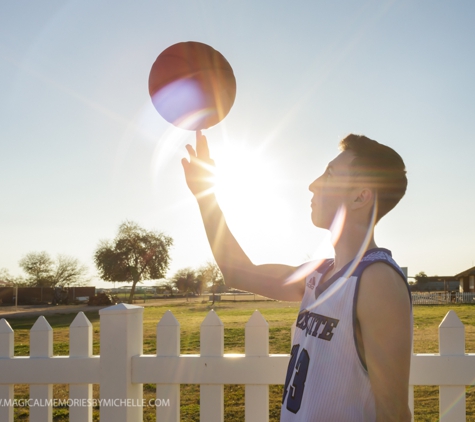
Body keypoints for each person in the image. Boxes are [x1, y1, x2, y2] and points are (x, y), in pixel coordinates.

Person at [182, 132, 412, 422]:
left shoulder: (377, 280)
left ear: (360, 196)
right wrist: (206, 195)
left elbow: (393, 414)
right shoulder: (317, 274)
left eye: (329, 174)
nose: (312, 184)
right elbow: (235, 270)